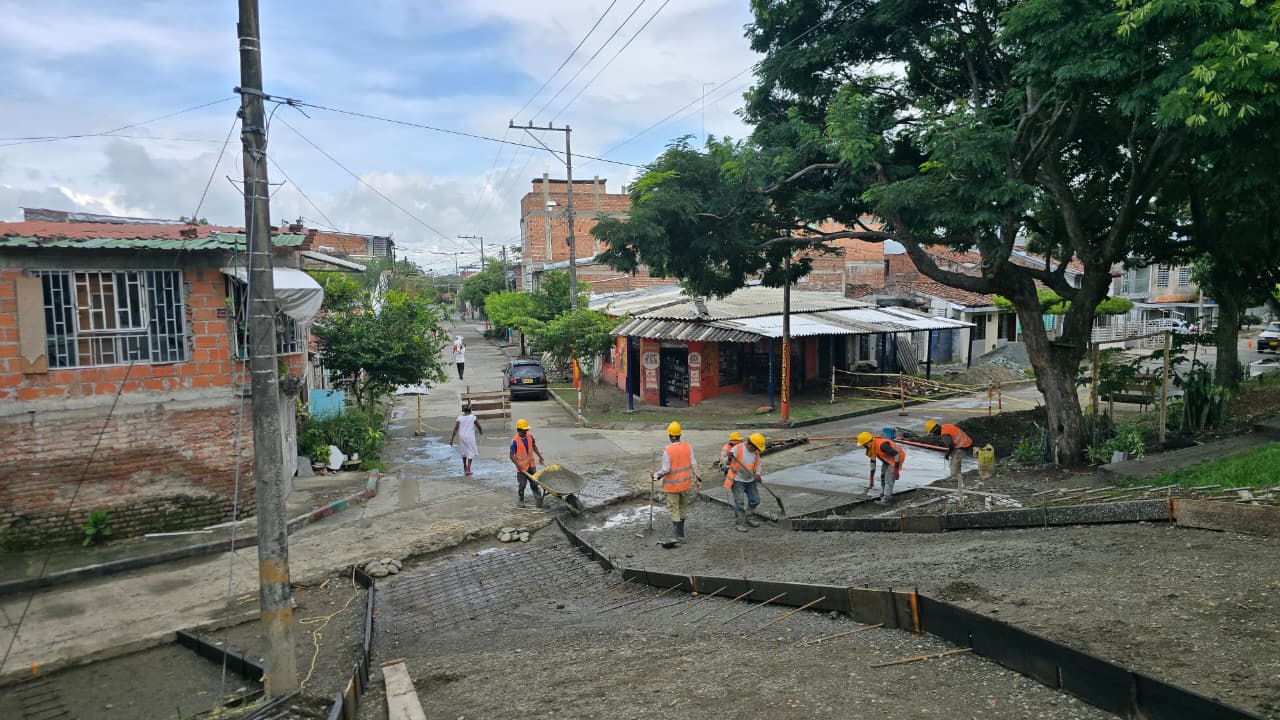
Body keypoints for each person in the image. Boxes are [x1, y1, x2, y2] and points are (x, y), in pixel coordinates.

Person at [652, 421, 701, 544]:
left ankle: (678, 536)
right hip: (685, 485)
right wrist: (697, 478)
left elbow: (666, 469)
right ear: (680, 434)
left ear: (669, 435)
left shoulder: (668, 450)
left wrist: (655, 475)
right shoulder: (687, 447)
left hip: (673, 487)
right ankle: (681, 534)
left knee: (674, 509)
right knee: (683, 508)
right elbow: (693, 463)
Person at [726, 433, 767, 531]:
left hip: (750, 479)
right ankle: (740, 523)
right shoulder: (737, 448)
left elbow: (758, 464)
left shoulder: (755, 452)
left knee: (755, 500)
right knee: (739, 502)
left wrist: (757, 473)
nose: (757, 450)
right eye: (755, 448)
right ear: (750, 445)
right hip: (737, 480)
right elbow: (726, 462)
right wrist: (729, 457)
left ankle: (749, 517)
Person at [926, 420, 973, 502]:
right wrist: (950, 452)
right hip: (965, 442)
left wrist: (948, 453)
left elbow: (951, 445)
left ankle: (955, 477)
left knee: (954, 462)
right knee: (955, 460)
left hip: (962, 445)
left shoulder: (944, 434)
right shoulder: (946, 426)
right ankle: (957, 475)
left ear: (935, 429)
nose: (934, 434)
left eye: (933, 432)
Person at [856, 431, 906, 504]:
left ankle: (887, 500)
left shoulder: (882, 445)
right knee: (883, 475)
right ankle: (884, 492)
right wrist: (871, 478)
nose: (863, 446)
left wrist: (895, 469)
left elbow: (896, 455)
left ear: (867, 443)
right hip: (887, 459)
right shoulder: (872, 446)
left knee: (889, 478)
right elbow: (873, 462)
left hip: (897, 458)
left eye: (863, 444)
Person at [509, 418, 546, 507]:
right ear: (519, 430)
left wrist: (540, 456)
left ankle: (538, 500)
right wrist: (517, 464)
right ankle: (521, 500)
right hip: (521, 468)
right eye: (524, 430)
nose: (526, 431)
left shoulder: (529, 436)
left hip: (531, 466)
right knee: (522, 485)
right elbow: (511, 455)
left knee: (534, 483)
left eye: (526, 430)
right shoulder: (515, 441)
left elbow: (534, 446)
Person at [448, 404, 483, 476]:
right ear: (470, 410)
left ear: (463, 411)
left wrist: (452, 439)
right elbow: (478, 426)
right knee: (470, 451)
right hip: (470, 437)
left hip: (462, 437)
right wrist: (480, 431)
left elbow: (455, 429)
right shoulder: (473, 417)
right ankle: (468, 468)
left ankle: (464, 467)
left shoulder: (459, 418)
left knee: (464, 452)